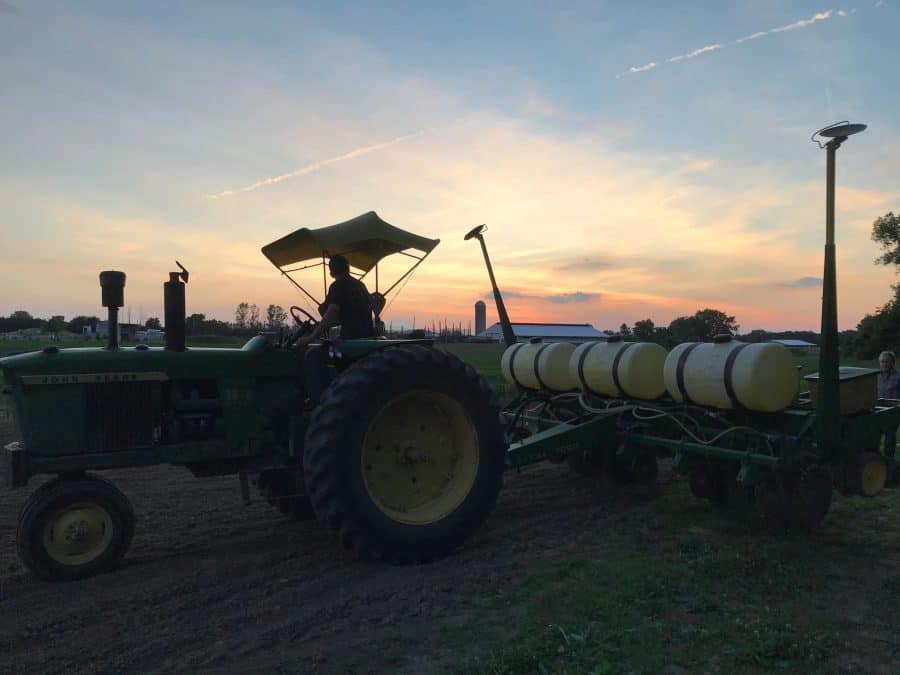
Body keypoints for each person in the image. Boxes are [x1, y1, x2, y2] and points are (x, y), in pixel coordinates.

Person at [295, 255, 374, 346]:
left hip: (351, 340)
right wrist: (317, 327)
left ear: (331, 272)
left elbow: (331, 314)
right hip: (367, 338)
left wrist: (310, 338)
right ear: (347, 269)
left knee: (313, 354)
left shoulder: (337, 286)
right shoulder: (360, 285)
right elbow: (345, 317)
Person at [877, 350, 900, 465]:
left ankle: (888, 463)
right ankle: (875, 460)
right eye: (882, 362)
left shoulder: (898, 376)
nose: (884, 364)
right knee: (874, 435)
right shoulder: (876, 375)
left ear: (892, 363)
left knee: (889, 437)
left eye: (886, 362)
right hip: (877, 411)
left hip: (892, 412)